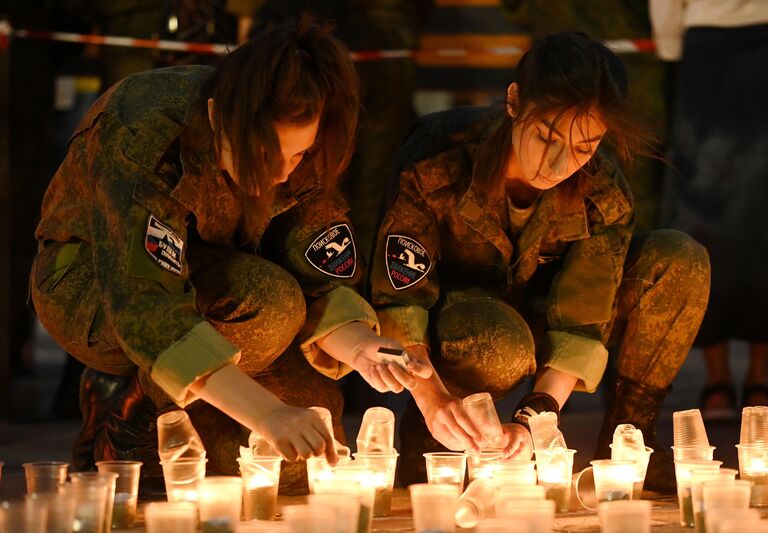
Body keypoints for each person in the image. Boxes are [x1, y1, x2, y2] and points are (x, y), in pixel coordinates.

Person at [30, 17, 427, 495]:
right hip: (94, 286)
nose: (282, 173)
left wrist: (363, 346)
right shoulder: (146, 131)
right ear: (220, 118)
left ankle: (190, 409)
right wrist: (267, 413)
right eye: (265, 154)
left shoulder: (296, 130)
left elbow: (319, 267)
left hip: (222, 286)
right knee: (272, 305)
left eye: (296, 156)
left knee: (300, 461)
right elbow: (147, 304)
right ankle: (128, 409)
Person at [369, 31, 711, 492]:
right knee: (495, 340)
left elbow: (583, 319)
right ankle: (436, 437)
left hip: (540, 319)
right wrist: (431, 399)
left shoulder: (600, 187)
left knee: (678, 259)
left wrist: (536, 417)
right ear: (514, 102)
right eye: (546, 136)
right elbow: (401, 297)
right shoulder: (437, 159)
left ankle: (628, 442)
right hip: (458, 329)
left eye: (583, 146)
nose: (557, 163)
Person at [651, 0, 768, 420]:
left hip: (705, 43)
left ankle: (732, 379)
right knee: (718, 203)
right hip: (710, 43)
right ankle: (744, 378)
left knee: (715, 201)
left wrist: (669, 45)